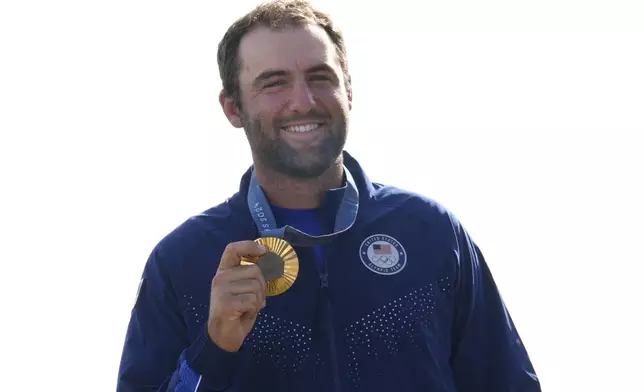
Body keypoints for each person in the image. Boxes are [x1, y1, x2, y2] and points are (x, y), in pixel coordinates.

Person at [116, 1, 541, 391]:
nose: (303, 101)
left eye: (320, 78)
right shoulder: (182, 261)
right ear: (233, 108)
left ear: (350, 92)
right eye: (274, 83)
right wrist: (213, 348)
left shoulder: (431, 232)